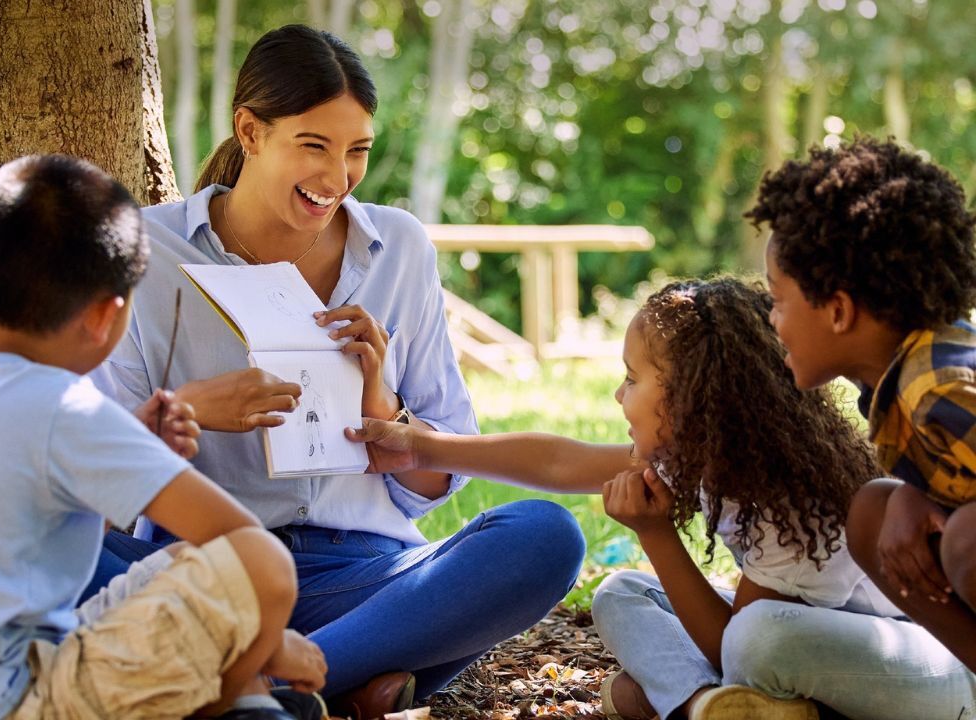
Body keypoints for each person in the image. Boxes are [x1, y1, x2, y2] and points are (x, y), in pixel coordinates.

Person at [88, 24, 584, 714]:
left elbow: (438, 478)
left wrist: (387, 414)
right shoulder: (148, 249)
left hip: (365, 574)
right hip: (205, 567)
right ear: (251, 132)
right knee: (52, 550)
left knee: (544, 535)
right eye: (313, 145)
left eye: (358, 151)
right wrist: (193, 409)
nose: (337, 177)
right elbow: (96, 475)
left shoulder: (399, 249)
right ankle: (348, 684)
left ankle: (274, 690)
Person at [349, 277, 976, 720]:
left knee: (759, 639)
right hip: (812, 649)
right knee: (625, 592)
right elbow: (561, 459)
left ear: (693, 397)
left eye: (631, 379)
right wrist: (426, 449)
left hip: (930, 672)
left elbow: (731, 645)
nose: (620, 397)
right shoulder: (705, 455)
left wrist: (656, 535)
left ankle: (695, 700)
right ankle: (710, 708)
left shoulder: (795, 505)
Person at [0, 154, 326, 720]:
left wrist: (135, 442)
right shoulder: (66, 407)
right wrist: (271, 645)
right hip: (17, 703)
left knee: (179, 559)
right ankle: (241, 706)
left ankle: (251, 705)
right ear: (107, 315)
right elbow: (245, 546)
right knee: (261, 566)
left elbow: (30, 526)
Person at [748, 137, 976, 672]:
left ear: (839, 310)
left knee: (968, 540)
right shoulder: (903, 378)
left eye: (778, 301)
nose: (772, 321)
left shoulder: (942, 384)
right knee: (875, 511)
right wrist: (915, 494)